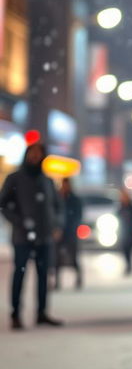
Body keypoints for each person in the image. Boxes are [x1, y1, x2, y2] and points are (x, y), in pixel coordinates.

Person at [0, 141, 64, 330]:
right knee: (20, 274)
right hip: (22, 237)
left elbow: (58, 207)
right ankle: (15, 314)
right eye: (33, 152)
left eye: (39, 152)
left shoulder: (47, 180)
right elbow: (3, 204)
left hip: (45, 237)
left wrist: (57, 225)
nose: (36, 156)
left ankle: (42, 312)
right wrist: (19, 222)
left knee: (43, 276)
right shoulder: (15, 179)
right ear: (27, 154)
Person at [53, 177, 83, 290]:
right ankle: (57, 281)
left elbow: (78, 216)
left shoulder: (74, 199)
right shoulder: (58, 198)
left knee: (73, 257)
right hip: (59, 233)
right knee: (57, 259)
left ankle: (78, 278)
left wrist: (72, 228)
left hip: (70, 233)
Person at [117, 189, 132, 275]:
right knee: (124, 249)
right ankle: (128, 265)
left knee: (129, 248)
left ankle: (129, 265)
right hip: (123, 230)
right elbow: (117, 216)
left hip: (130, 231)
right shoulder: (121, 207)